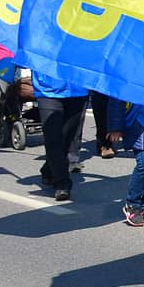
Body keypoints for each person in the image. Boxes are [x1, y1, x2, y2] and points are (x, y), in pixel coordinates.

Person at [33, 72, 90, 201]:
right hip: (48, 90)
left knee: (67, 138)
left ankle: (49, 168)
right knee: (53, 137)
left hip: (77, 89)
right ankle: (62, 182)